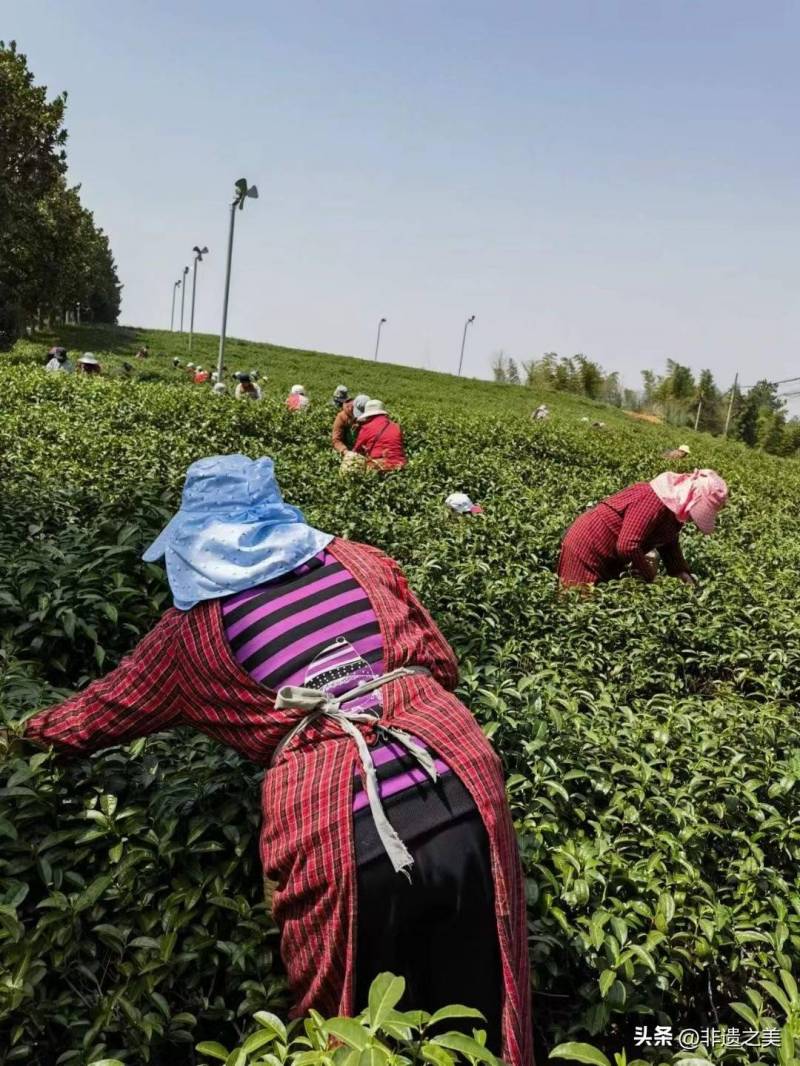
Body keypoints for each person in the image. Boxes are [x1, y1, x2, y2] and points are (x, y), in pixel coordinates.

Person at [15, 456, 531, 1065]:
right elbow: (440, 664)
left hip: (339, 824)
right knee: (479, 994)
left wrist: (21, 738)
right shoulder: (361, 561)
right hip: (461, 777)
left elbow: (100, 713)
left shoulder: (190, 635)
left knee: (343, 1029)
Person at [557, 468, 728, 588]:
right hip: (587, 548)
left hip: (609, 557)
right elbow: (627, 546)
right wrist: (650, 578)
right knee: (576, 605)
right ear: (691, 496)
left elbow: (668, 543)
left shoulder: (673, 509)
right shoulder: (653, 499)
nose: (694, 518)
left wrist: (679, 571)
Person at [353, 399, 407, 470]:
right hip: (401, 465)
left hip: (380, 467)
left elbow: (356, 450)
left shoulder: (366, 428)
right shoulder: (396, 426)